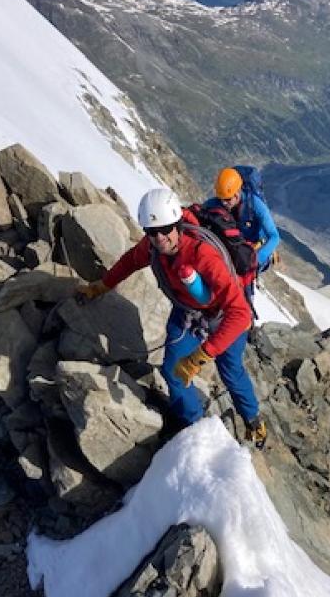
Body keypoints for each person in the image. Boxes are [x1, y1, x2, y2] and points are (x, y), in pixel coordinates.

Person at [75, 188, 268, 448]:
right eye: (152, 232)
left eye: (165, 229)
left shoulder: (203, 255)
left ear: (177, 225)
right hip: (189, 314)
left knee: (230, 372)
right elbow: (131, 261)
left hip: (225, 317)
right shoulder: (153, 247)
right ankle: (195, 429)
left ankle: (253, 420)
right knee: (172, 370)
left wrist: (203, 354)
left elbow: (240, 313)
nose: (160, 237)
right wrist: (101, 286)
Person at [205, 167, 280, 307]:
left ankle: (246, 310)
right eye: (221, 199)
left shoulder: (255, 205)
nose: (224, 203)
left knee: (244, 283)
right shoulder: (216, 203)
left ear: (237, 193)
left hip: (253, 251)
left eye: (227, 199)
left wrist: (257, 259)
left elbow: (274, 236)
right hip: (235, 249)